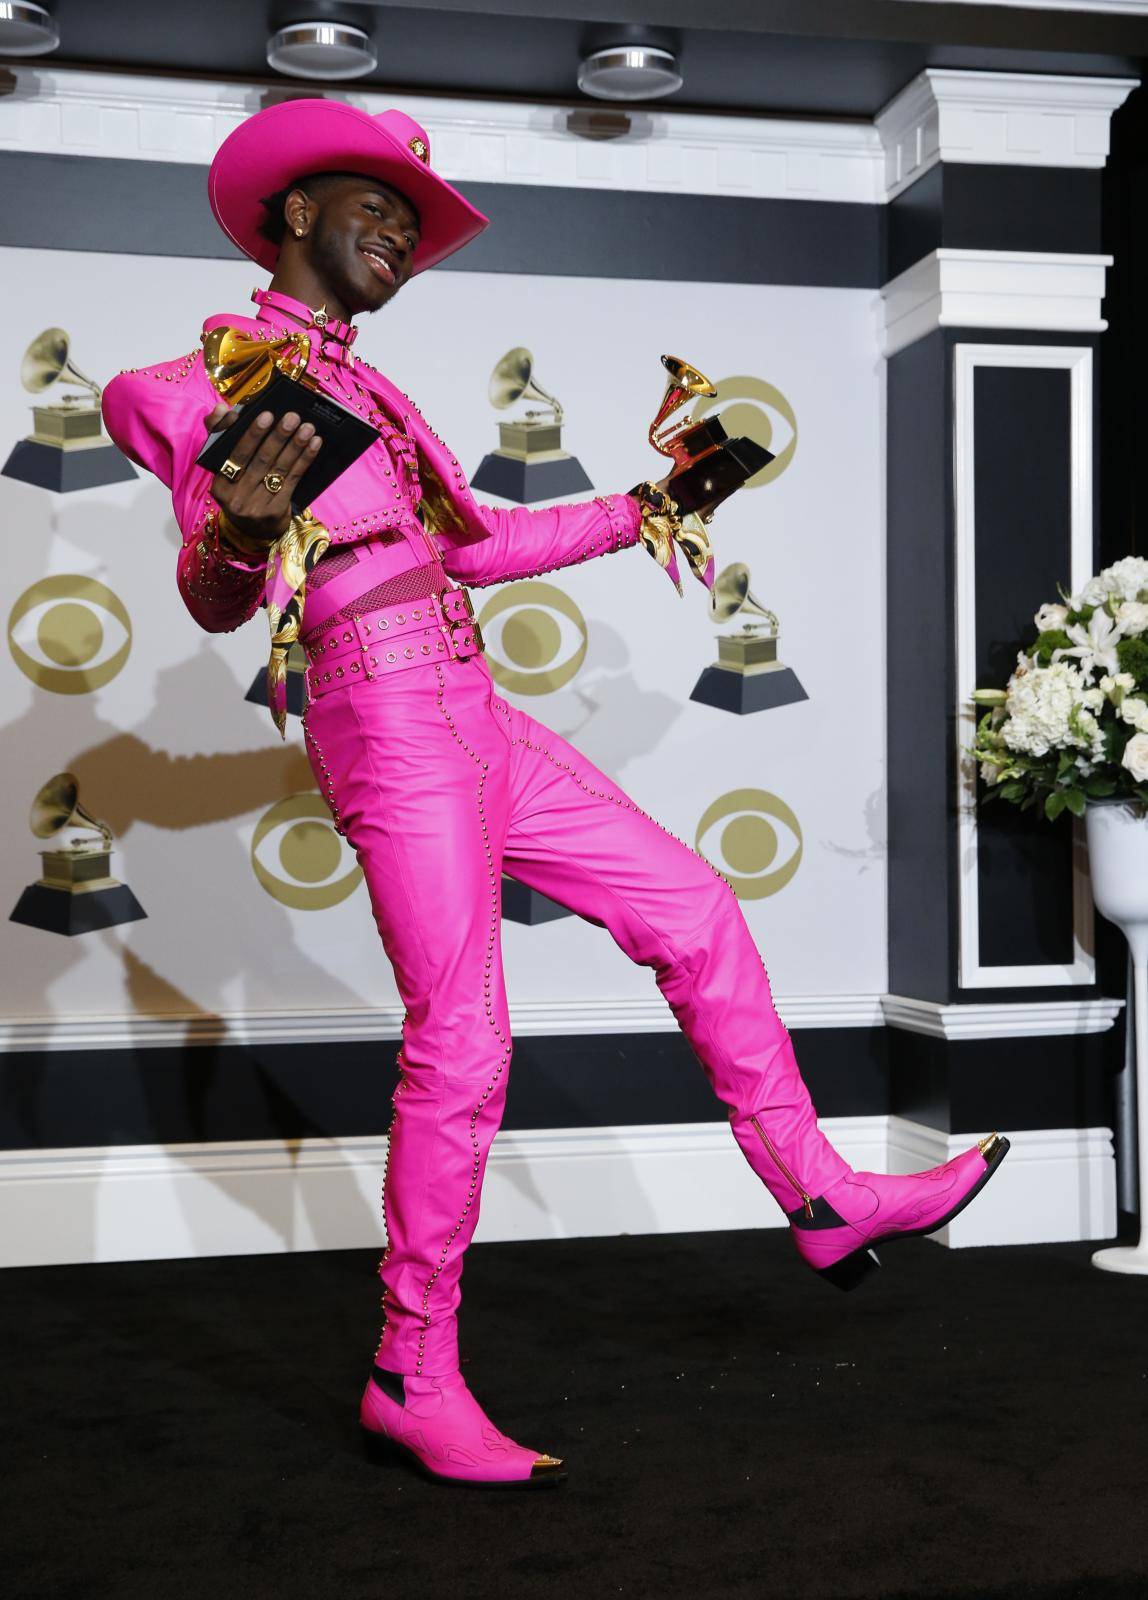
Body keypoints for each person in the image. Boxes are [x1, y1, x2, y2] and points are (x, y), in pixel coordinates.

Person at [102, 100, 1009, 1490]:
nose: (405, 230)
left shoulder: (376, 395)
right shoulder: (183, 385)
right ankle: (411, 1367)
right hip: (383, 717)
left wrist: (650, 504)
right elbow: (217, 596)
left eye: (417, 216)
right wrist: (238, 528)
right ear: (293, 215)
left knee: (697, 906)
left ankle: (819, 1194)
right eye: (378, 205)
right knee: (462, 1043)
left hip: (477, 709)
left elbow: (470, 548)